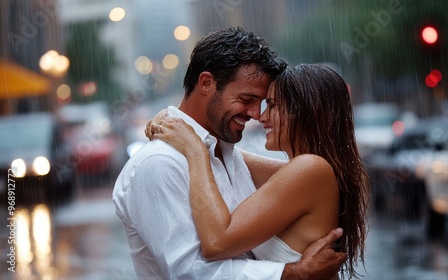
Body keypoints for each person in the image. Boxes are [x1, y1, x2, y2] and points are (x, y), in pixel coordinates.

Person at [113, 27, 347, 279]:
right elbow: (190, 272)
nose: (257, 114)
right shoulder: (159, 163)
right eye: (247, 98)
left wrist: (193, 144)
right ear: (206, 83)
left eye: (267, 104)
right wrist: (293, 273)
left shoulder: (225, 154)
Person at [148, 64, 369, 279]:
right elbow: (227, 154)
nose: (262, 117)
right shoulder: (308, 172)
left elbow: (217, 242)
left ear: (304, 111)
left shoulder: (310, 168)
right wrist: (178, 122)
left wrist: (195, 151)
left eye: (272, 105)